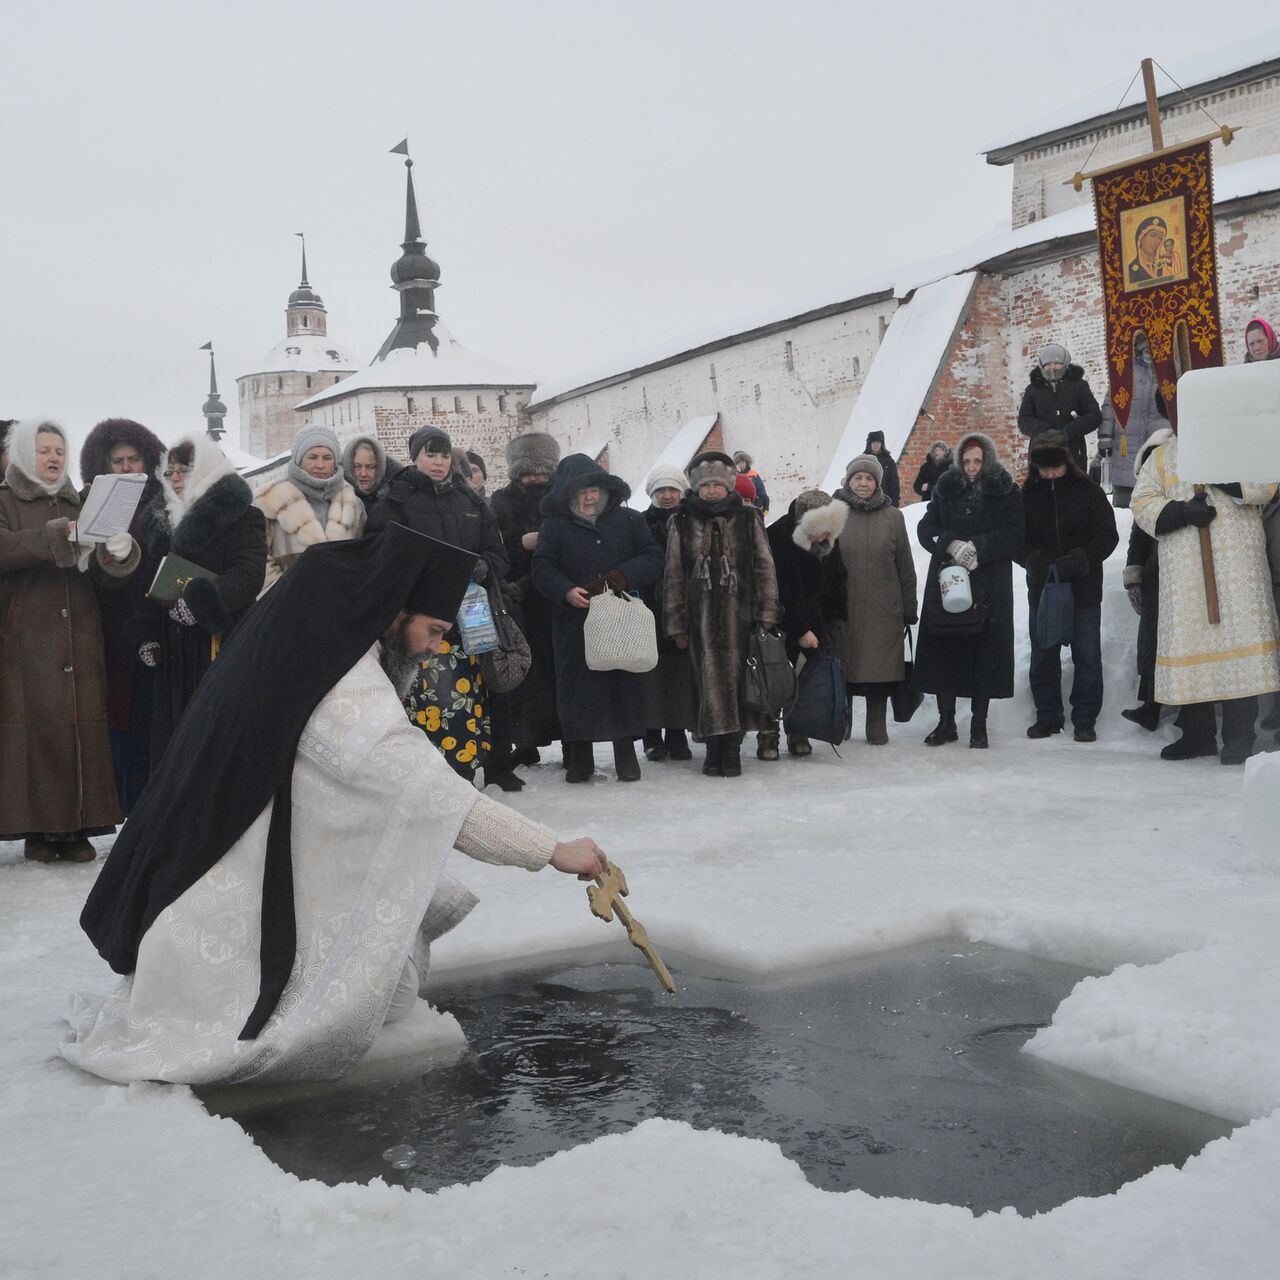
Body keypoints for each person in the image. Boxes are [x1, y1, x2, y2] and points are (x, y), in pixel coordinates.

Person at [64, 525, 611, 1085]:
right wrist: (549, 850)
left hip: (216, 860)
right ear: (396, 610)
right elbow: (426, 792)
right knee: (386, 998)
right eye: (434, 630)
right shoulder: (343, 679)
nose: (435, 647)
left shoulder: (311, 638)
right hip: (220, 895)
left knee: (391, 978)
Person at [0, 418, 140, 862]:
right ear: (25, 454)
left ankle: (80, 826)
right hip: (27, 637)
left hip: (79, 633)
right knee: (38, 732)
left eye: (59, 450)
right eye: (43, 450)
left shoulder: (82, 502)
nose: (53, 458)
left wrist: (118, 555)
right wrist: (56, 536)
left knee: (81, 726)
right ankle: (40, 830)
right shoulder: (4, 500)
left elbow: (102, 573)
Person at [1131, 426, 1280, 764]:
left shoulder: (1241, 445)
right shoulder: (1163, 456)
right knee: (1193, 649)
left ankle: (1240, 738)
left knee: (1237, 651)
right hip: (1184, 573)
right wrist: (1181, 512)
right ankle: (1197, 736)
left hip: (1238, 571)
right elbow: (1142, 502)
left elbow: (1269, 483)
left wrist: (1227, 482)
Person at [368, 427, 508, 781]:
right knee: (428, 698)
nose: (439, 462)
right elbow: (379, 553)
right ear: (415, 456)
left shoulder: (471, 501)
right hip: (421, 621)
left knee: (467, 699)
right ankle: (424, 778)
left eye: (444, 455)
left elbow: (497, 553)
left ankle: (463, 773)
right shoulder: (397, 499)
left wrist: (484, 566)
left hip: (467, 619)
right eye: (430, 454)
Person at [129, 435, 268, 766]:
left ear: (206, 470)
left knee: (215, 747)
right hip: (173, 652)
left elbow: (248, 574)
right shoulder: (160, 519)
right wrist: (147, 633)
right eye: (170, 471)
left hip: (218, 645)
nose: (175, 478)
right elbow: (150, 582)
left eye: (184, 470)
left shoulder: (242, 516)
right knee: (172, 748)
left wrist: (201, 601)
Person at [531, 453, 664, 782]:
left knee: (623, 684)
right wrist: (565, 591)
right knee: (579, 691)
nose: (589, 498)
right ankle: (580, 759)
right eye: (581, 492)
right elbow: (542, 567)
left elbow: (653, 557)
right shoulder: (555, 526)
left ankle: (625, 755)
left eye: (594, 490)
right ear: (568, 495)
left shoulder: (629, 521)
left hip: (621, 618)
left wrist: (623, 575)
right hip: (576, 622)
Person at [664, 451, 780, 777]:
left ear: (728, 485)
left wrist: (767, 611)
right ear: (697, 487)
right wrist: (675, 622)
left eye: (718, 484)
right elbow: (673, 573)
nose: (712, 491)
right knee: (705, 685)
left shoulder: (748, 517)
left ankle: (732, 749)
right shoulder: (681, 521)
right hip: (698, 622)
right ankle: (713, 749)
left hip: (740, 619)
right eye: (706, 485)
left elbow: (764, 567)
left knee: (738, 685)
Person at [78, 417, 167, 814]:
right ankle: (122, 801)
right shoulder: (91, 503)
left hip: (157, 615)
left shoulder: (164, 502)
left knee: (154, 711)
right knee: (117, 714)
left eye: (134, 459)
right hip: (110, 621)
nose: (128, 467)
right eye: (118, 461)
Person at [915, 432, 1024, 749]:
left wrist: (981, 547)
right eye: (966, 461)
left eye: (977, 461)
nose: (972, 466)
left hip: (989, 582)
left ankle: (979, 725)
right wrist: (951, 543)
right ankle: (946, 722)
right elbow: (926, 529)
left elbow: (1015, 534)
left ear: (987, 459)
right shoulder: (945, 489)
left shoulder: (1006, 491)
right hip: (950, 579)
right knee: (944, 652)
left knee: (985, 655)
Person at [1017, 430, 1119, 743]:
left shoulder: (1088, 492)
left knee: (1086, 655)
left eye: (1054, 465)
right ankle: (1048, 716)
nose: (1049, 472)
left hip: (1084, 588)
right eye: (1043, 466)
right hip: (1044, 588)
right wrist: (1031, 560)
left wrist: (1082, 560)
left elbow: (1107, 535)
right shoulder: (1027, 496)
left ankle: (1085, 718)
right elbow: (1016, 539)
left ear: (1066, 461)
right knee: (1043, 654)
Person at [486, 431, 563, 790]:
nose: (534, 479)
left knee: (557, 670)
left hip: (557, 597)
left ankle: (566, 739)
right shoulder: (500, 501)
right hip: (518, 597)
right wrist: (521, 541)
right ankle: (526, 741)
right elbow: (495, 541)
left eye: (540, 472)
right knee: (524, 673)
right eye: (527, 473)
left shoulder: (561, 499)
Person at [831, 455, 918, 745]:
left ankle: (876, 725)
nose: (864, 483)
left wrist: (909, 607)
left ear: (877, 483)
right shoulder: (835, 513)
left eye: (869, 478)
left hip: (884, 608)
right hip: (844, 606)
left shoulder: (894, 517)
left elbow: (905, 565)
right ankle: (842, 723)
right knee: (844, 665)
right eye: (858, 478)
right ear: (849, 481)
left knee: (880, 670)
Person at [761, 488, 847, 757]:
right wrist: (799, 630)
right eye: (819, 531)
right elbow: (776, 591)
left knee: (806, 681)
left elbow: (837, 583)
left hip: (817, 622)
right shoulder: (776, 538)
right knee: (775, 681)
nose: (823, 537)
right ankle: (769, 735)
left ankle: (798, 730)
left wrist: (835, 620)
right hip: (780, 624)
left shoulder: (828, 542)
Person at [256, 425, 366, 592]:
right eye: (312, 457)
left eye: (327, 458)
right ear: (299, 459)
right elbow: (258, 558)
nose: (320, 465)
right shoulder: (270, 500)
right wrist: (281, 593)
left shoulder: (352, 503)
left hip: (340, 603)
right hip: (286, 603)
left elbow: (362, 554)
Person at [640, 467, 697, 763]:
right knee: (651, 672)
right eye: (661, 490)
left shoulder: (691, 520)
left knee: (678, 674)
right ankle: (651, 734)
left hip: (683, 607)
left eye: (672, 490)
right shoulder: (640, 523)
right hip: (648, 608)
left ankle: (676, 733)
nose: (666, 496)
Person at [1120, 426, 1176, 732]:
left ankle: (1181, 706)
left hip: (1176, 572)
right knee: (1151, 641)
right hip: (1154, 574)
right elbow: (1138, 537)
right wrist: (1134, 575)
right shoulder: (1148, 497)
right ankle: (1150, 705)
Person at [1097, 331, 1162, 509]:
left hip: (1157, 439)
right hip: (1127, 440)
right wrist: (1105, 438)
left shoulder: (1166, 367)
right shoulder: (1125, 369)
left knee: (1157, 500)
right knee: (1128, 506)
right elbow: (1111, 403)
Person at [1017, 342, 1102, 472]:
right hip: (1041, 454)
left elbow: (1094, 416)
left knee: (1073, 490)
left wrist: (1068, 432)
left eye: (1056, 363)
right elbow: (1024, 420)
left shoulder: (1079, 386)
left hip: (1073, 452)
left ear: (1065, 363)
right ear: (1042, 366)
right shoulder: (1033, 390)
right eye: (1048, 364)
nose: (1052, 367)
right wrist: (1046, 432)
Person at [340, 434, 391, 514]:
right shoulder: (337, 500)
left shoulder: (395, 500)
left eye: (370, 467)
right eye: (357, 466)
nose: (363, 474)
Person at [864, 431, 901, 507]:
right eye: (873, 442)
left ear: (882, 444)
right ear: (870, 444)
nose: (876, 444)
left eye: (878, 442)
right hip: (866, 500)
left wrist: (895, 501)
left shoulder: (889, 461)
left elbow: (894, 482)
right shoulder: (863, 460)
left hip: (884, 500)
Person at [732, 450, 769, 515]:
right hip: (737, 509)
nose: (741, 464)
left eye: (742, 461)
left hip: (753, 507)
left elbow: (761, 491)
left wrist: (765, 506)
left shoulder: (754, 474)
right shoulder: (732, 476)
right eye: (738, 462)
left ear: (746, 462)